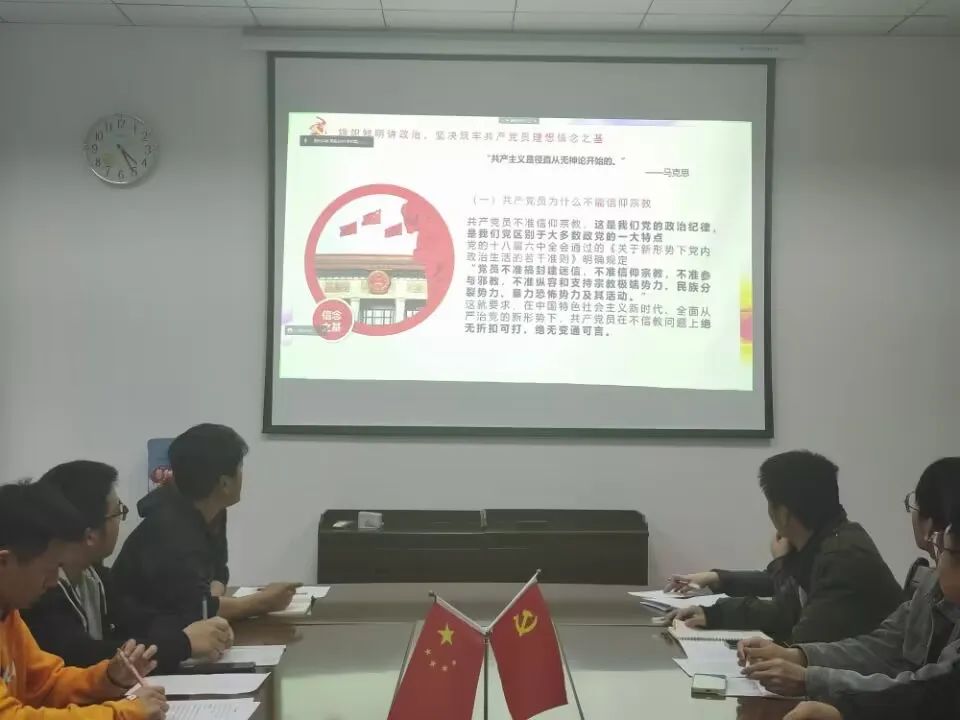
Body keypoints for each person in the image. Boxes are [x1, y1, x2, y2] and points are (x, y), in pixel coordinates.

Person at [752, 499, 960, 720]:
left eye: (944, 547)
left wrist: (810, 679)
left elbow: (932, 695)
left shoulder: (843, 552)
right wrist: (799, 657)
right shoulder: (834, 542)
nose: (939, 561)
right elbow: (883, 645)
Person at [666, 451, 902, 644]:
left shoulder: (842, 558)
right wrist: (716, 585)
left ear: (784, 514)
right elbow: (780, 592)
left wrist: (781, 563)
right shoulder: (829, 537)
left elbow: (795, 628)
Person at [22, 461, 233, 672]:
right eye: (118, 512)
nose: (120, 521)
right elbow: (82, 656)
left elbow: (137, 620)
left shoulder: (92, 575)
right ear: (90, 536)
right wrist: (184, 644)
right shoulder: (41, 590)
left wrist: (202, 630)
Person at [0, 480, 167, 720]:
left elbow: (45, 685)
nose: (53, 582)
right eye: (48, 569)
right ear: (4, 563)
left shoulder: (8, 612)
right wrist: (123, 713)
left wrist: (108, 678)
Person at [112, 424, 299, 625]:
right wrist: (263, 602)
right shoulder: (168, 530)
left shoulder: (213, 510)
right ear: (224, 484)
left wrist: (211, 600)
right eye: (240, 467)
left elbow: (218, 572)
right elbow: (196, 609)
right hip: (138, 635)